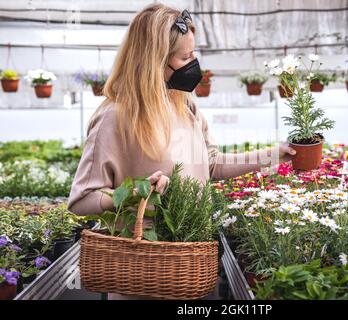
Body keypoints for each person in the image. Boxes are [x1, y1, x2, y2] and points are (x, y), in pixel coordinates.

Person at [67, 3, 296, 299]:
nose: (194, 62)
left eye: (194, 53)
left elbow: (211, 164)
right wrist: (137, 190)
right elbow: (81, 199)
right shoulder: (115, 117)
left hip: (192, 267)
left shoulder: (183, 103)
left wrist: (273, 154)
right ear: (155, 60)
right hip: (145, 276)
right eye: (185, 57)